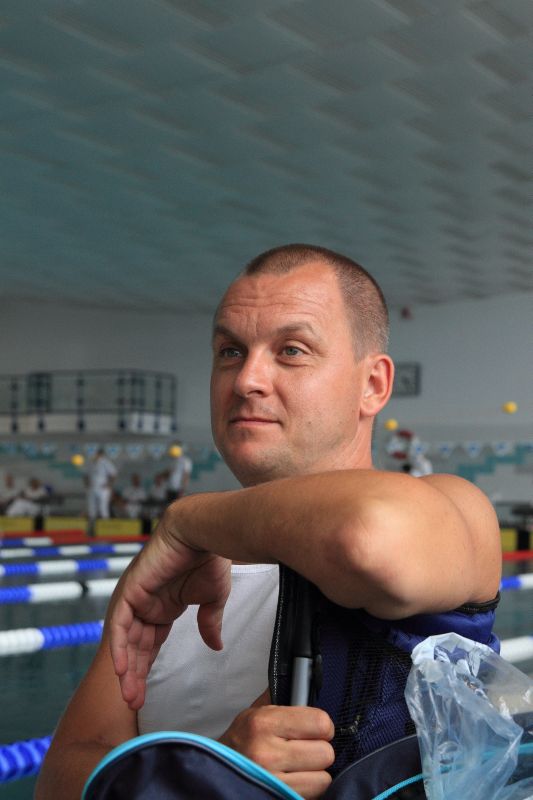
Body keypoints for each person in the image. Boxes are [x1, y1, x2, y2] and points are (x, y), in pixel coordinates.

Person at [36, 245, 501, 800]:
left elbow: (365, 537)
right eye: (230, 351)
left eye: (291, 351)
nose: (247, 380)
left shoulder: (453, 511)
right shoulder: (178, 574)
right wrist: (208, 771)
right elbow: (59, 778)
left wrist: (186, 521)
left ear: (373, 385)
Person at [85, 447, 117, 520]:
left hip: (103, 488)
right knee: (91, 508)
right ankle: (92, 524)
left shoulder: (106, 462)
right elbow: (86, 475)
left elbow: (114, 474)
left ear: (101, 454)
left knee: (103, 507)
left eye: (97, 454)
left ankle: (105, 525)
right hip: (93, 487)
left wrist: (109, 484)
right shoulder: (91, 463)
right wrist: (87, 484)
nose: (96, 455)